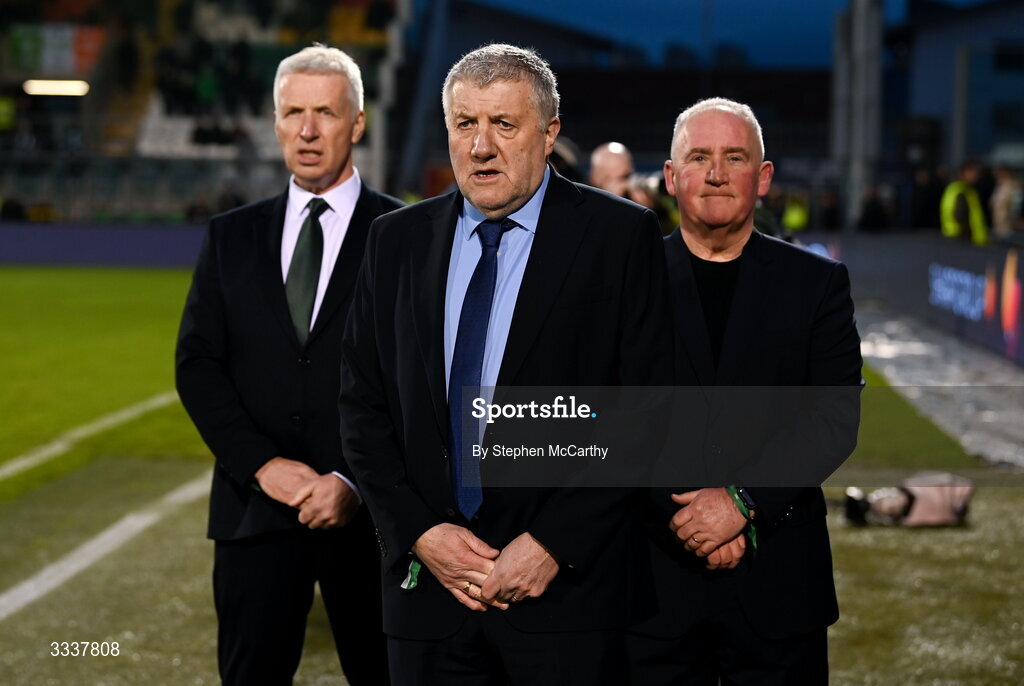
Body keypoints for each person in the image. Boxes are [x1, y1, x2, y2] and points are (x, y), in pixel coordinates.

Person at [338, 43, 672, 685]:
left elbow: (647, 412)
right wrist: (419, 532)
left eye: (504, 125)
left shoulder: (619, 237)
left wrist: (554, 545)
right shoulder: (395, 241)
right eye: (466, 124)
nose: (481, 146)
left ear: (549, 134)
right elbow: (361, 404)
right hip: (429, 600)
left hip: (567, 603)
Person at [175, 44, 402, 686]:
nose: (306, 130)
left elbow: (417, 379)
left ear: (356, 124)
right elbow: (198, 365)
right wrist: (261, 465)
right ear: (274, 122)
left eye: (325, 113)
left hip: (372, 520)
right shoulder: (231, 236)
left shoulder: (405, 233)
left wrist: (352, 480)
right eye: (292, 113)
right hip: (255, 514)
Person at [627, 98, 862, 685]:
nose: (715, 173)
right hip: (652, 585)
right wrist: (689, 519)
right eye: (699, 157)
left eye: (734, 157)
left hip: (779, 586)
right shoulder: (625, 283)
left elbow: (833, 418)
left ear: (763, 178)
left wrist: (740, 501)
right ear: (670, 176)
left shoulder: (818, 284)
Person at [940, 161, 989, 246]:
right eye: (972, 172)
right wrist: (967, 234)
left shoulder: (965, 189)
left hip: (962, 238)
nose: (975, 176)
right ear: (963, 172)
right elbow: (959, 213)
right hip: (961, 238)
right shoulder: (961, 191)